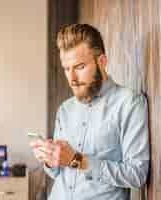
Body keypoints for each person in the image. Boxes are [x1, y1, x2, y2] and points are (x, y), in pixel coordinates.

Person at [30, 24, 149, 200]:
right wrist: (50, 158)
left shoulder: (129, 104)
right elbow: (58, 174)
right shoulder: (65, 109)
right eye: (66, 69)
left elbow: (137, 175)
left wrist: (78, 160)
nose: (72, 79)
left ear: (102, 62)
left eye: (79, 67)